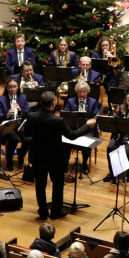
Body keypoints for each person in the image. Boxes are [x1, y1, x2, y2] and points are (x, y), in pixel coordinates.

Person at [25, 91, 97, 219]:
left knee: (40, 185)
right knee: (57, 184)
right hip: (55, 157)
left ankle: (42, 211)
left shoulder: (32, 116)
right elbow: (72, 135)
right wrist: (87, 126)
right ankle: (56, 211)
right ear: (53, 104)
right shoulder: (58, 120)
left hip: (37, 155)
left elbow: (27, 134)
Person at [63, 80, 101, 174]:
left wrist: (87, 116)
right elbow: (66, 115)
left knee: (87, 142)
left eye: (84, 92)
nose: (82, 94)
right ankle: (65, 163)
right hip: (73, 128)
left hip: (88, 129)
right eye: (80, 92)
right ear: (77, 92)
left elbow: (96, 116)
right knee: (65, 141)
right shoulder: (71, 101)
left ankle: (84, 162)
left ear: (88, 92)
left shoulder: (93, 102)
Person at [0, 78, 31, 171]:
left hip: (20, 124)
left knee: (28, 139)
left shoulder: (23, 98)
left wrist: (20, 110)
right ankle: (9, 160)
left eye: (14, 87)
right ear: (7, 87)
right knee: (14, 139)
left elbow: (28, 112)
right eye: (10, 87)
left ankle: (21, 154)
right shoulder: (2, 99)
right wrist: (7, 115)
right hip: (9, 126)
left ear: (18, 87)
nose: (12, 89)